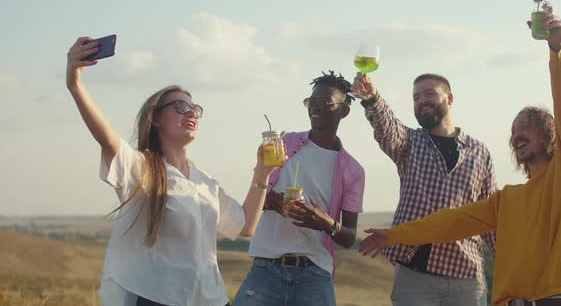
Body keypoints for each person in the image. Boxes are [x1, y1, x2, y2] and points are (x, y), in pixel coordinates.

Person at [359, 5, 561, 306]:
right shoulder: (506, 200)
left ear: (550, 136)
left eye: (525, 128)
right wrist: (394, 236)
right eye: (513, 131)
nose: (516, 136)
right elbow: (449, 222)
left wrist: (557, 49)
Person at [66, 36, 275, 306]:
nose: (192, 113)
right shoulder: (141, 168)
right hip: (159, 298)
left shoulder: (205, 182)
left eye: (196, 109)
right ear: (155, 119)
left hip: (212, 299)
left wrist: (263, 172)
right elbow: (107, 138)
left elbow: (245, 225)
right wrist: (75, 84)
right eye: (181, 107)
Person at [351, 51, 497, 304]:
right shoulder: (409, 144)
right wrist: (372, 99)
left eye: (429, 93)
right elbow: (388, 129)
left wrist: (512, 269)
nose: (421, 101)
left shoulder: (479, 152)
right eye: (416, 97)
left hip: (466, 276)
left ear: (449, 98)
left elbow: (491, 218)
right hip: (413, 277)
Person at [232, 71, 365, 306]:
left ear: (343, 110)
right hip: (265, 268)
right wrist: (269, 200)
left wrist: (325, 223)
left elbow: (349, 236)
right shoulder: (283, 144)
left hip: (314, 274)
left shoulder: (353, 171)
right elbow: (255, 197)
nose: (315, 107)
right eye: (311, 101)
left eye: (326, 102)